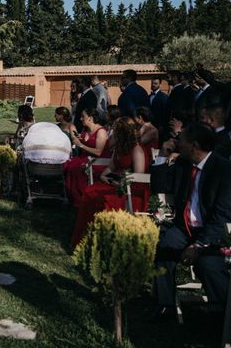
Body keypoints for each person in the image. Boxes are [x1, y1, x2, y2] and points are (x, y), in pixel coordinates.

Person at [151, 122, 231, 320]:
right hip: (184, 228)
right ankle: (165, 304)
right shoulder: (183, 164)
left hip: (212, 234)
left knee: (209, 265)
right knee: (163, 247)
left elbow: (221, 216)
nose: (177, 142)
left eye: (182, 140)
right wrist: (162, 155)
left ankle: (222, 314)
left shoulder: (224, 170)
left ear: (194, 145)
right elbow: (159, 187)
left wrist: (198, 245)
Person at [71, 117, 150, 246]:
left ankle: (103, 241)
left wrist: (120, 184)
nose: (113, 136)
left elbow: (138, 177)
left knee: (102, 198)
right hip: (117, 183)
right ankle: (86, 239)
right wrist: (104, 177)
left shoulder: (137, 150)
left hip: (133, 189)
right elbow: (109, 169)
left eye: (116, 133)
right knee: (90, 191)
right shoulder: (120, 148)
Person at [64, 107, 108, 207]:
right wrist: (81, 139)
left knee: (76, 168)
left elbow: (99, 152)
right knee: (68, 165)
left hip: (96, 161)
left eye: (83, 116)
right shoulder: (85, 129)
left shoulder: (101, 131)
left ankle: (81, 199)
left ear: (90, 118)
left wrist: (81, 145)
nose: (80, 119)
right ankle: (71, 197)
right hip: (84, 158)